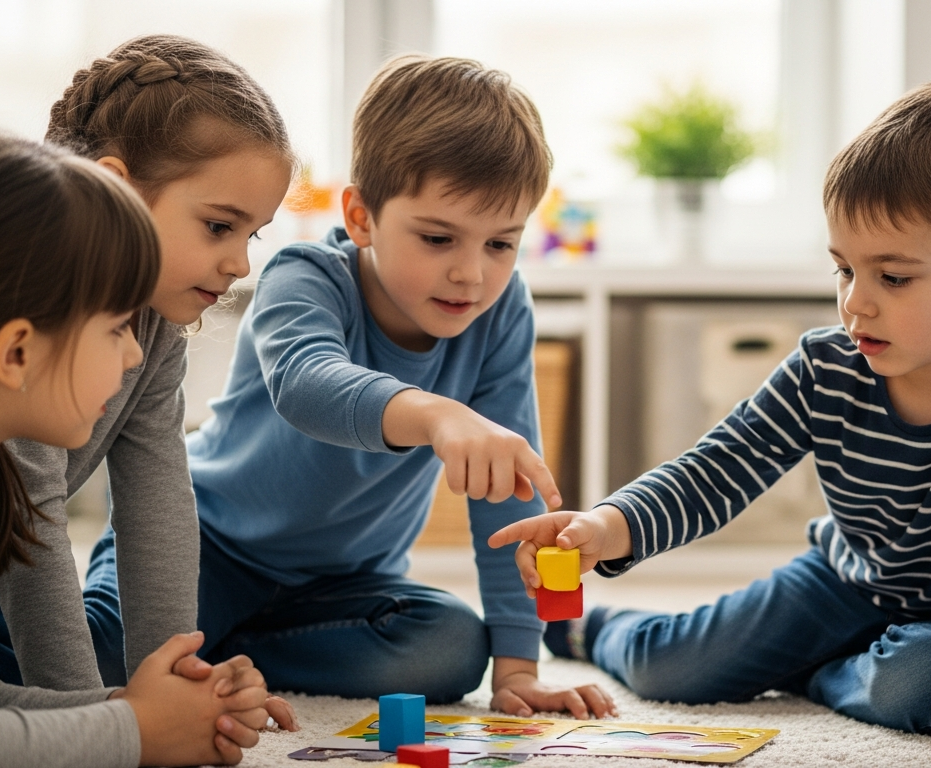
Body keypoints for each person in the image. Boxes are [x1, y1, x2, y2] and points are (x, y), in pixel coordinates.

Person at [490, 83, 931, 741]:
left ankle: (814, 674)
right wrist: (607, 525)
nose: (855, 304)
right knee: (674, 669)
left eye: (892, 278)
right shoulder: (828, 364)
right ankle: (596, 628)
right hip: (843, 583)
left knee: (924, 682)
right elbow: (720, 467)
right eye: (844, 270)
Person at [185, 54, 613, 717]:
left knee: (449, 649)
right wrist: (435, 414)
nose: (471, 274)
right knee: (95, 650)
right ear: (361, 217)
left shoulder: (500, 312)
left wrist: (519, 668)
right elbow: (306, 385)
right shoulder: (304, 277)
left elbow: (508, 498)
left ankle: (229, 650)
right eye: (439, 238)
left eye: (501, 244)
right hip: (207, 545)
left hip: (346, 586)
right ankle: (195, 639)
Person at [0, 131, 276, 767]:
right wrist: (135, 733)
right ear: (16, 354)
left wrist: (146, 711)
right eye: (116, 327)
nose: (136, 352)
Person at [0, 36, 297, 730]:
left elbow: (157, 500)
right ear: (118, 189)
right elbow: (31, 528)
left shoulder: (152, 327)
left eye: (253, 235)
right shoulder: (26, 314)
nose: (240, 264)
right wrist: (103, 726)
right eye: (219, 226)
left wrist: (177, 678)